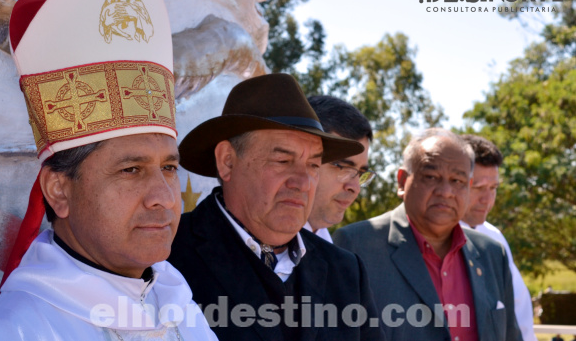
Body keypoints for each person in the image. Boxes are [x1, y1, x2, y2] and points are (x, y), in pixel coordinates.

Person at [0, 0, 216, 340]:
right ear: (59, 189)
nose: (164, 197)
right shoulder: (20, 328)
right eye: (131, 169)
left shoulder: (178, 300)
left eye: (169, 167)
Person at [169, 73, 387, 340]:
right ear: (227, 161)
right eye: (283, 161)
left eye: (313, 165)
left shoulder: (346, 271)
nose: (303, 182)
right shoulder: (166, 257)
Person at [334, 128, 523, 341]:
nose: (445, 191)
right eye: (431, 177)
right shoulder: (356, 246)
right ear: (402, 181)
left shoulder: (491, 253)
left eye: (457, 181)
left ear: (468, 187)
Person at [460, 134, 537, 341]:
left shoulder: (495, 238)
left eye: (493, 188)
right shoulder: (433, 238)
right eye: (478, 188)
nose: (487, 199)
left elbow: (519, 311)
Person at [304, 95, 375, 242]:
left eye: (361, 173)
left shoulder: (336, 258)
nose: (355, 188)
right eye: (343, 167)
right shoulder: (254, 245)